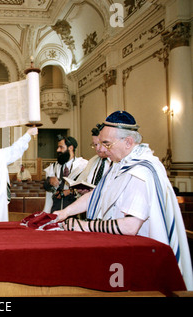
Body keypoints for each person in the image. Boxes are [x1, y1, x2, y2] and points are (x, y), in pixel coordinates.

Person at [53, 111, 193, 290]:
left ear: (128, 142)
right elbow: (97, 195)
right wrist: (64, 213)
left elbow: (130, 226)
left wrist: (83, 226)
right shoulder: (120, 165)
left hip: (141, 253)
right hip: (121, 249)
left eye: (107, 143)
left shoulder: (141, 171)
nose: (102, 150)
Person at [42, 135, 88, 213]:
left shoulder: (83, 166)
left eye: (61, 147)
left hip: (75, 213)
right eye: (58, 147)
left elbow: (87, 189)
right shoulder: (53, 167)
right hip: (55, 211)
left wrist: (69, 191)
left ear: (70, 148)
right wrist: (49, 182)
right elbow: (47, 189)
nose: (58, 150)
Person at [75, 125, 113, 193]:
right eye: (95, 145)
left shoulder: (116, 161)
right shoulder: (93, 161)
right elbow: (82, 180)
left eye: (100, 144)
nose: (98, 148)